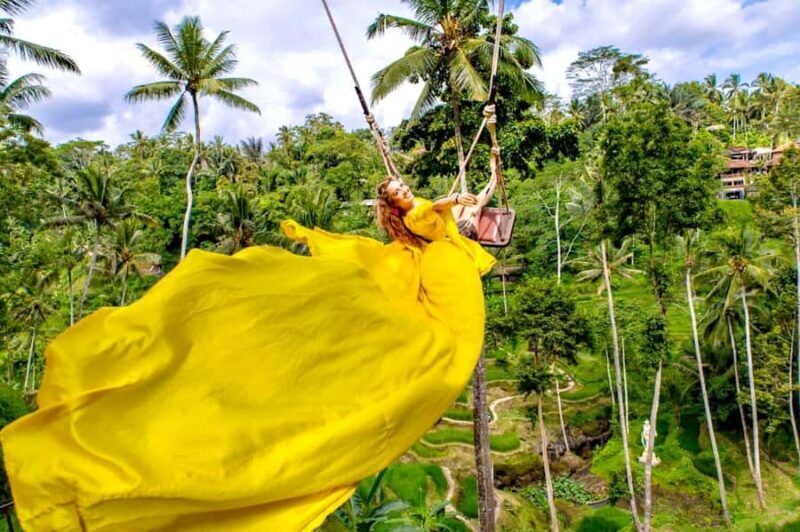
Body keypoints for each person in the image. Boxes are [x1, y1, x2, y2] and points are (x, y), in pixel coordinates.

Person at [1, 178, 496, 531]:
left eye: (406, 189)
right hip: (439, 289)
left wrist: (487, 174)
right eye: (400, 193)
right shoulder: (421, 218)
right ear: (395, 205)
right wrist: (455, 198)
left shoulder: (439, 229)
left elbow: (471, 205)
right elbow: (433, 215)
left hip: (444, 281)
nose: (408, 194)